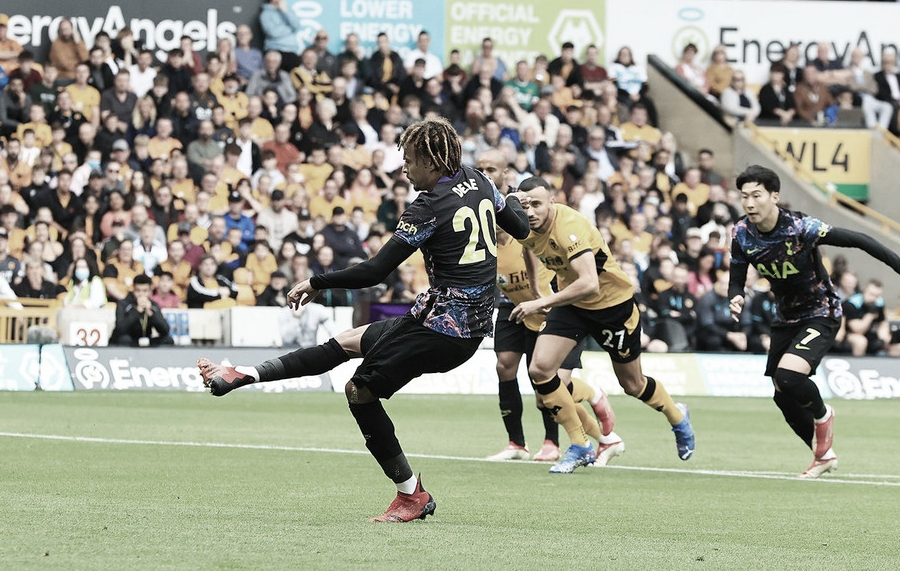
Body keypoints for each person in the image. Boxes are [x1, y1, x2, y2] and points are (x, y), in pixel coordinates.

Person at [197, 117, 534, 522]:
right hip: (466, 322)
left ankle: (411, 495)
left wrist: (317, 280)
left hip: (442, 327)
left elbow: (376, 271)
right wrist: (510, 195)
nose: (404, 169)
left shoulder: (427, 206)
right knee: (348, 341)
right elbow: (520, 225)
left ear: (431, 160)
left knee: (359, 390)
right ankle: (242, 374)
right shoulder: (480, 180)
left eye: (410, 161)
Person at [727, 165, 900, 478]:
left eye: (756, 195)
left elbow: (860, 239)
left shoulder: (801, 227)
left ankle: (824, 416)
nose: (749, 203)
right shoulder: (741, 233)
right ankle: (821, 454)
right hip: (785, 318)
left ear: (774, 196)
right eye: (744, 197)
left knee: (788, 376)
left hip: (821, 312)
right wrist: (736, 295)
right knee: (781, 394)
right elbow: (737, 273)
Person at [513, 175, 695, 473]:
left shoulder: (568, 227)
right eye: (525, 205)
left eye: (536, 204)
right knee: (540, 370)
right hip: (571, 305)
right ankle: (580, 444)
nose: (531, 211)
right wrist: (537, 289)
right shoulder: (526, 225)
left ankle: (677, 415)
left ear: (552, 202)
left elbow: (589, 283)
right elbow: (528, 248)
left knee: (632, 384)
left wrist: (540, 302)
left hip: (612, 306)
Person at [474, 150, 621, 465]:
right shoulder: (475, 202)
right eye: (480, 168)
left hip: (552, 307)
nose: (485, 173)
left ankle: (581, 429)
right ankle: (517, 442)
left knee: (548, 384)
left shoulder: (524, 209)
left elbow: (537, 244)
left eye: (491, 168)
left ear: (506, 172)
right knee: (507, 368)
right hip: (513, 304)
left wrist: (542, 294)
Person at [112, 274, 172, 346]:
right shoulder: (123, 304)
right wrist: (136, 312)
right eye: (138, 291)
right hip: (130, 340)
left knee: (168, 340)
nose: (141, 294)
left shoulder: (153, 305)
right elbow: (120, 329)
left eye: (145, 291)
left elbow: (165, 330)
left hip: (145, 340)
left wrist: (150, 313)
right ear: (133, 290)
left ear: (150, 291)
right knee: (124, 339)